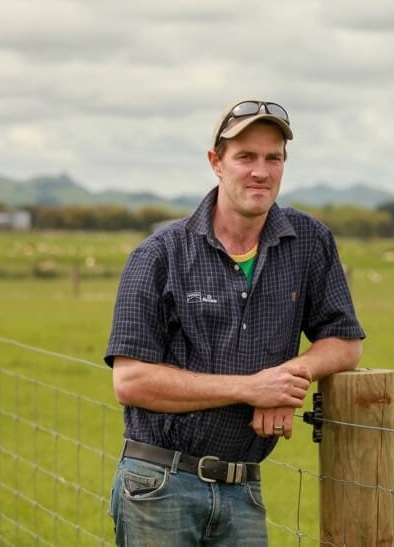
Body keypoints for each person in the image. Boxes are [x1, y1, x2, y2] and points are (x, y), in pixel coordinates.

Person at [104, 100, 365, 545]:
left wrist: (288, 379)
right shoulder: (160, 255)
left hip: (244, 487)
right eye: (245, 156)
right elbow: (131, 381)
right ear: (216, 163)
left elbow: (344, 341)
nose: (260, 171)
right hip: (160, 484)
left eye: (273, 157)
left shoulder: (309, 243)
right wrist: (250, 389)